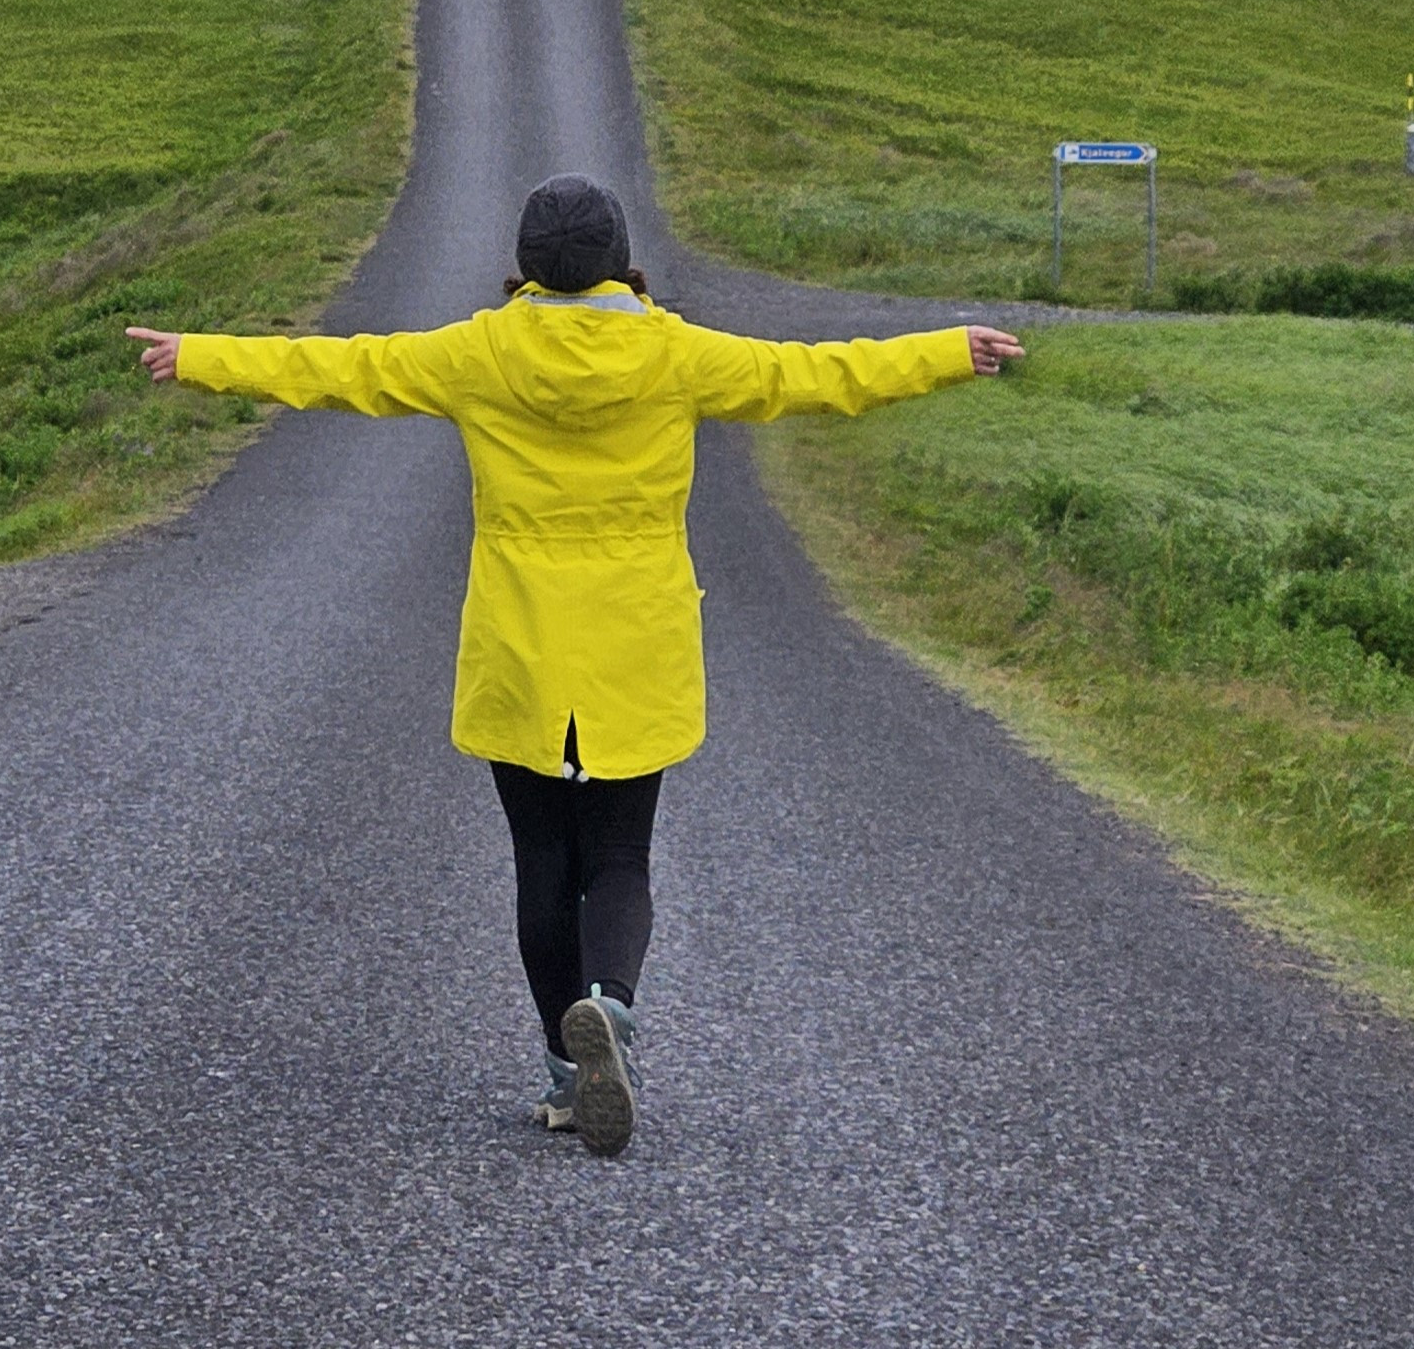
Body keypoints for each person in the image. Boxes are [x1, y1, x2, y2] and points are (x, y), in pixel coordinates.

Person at [127, 174, 1024, 1158]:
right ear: (616, 259)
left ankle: (565, 1070)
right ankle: (610, 1002)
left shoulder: (479, 348)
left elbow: (344, 366)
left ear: (527, 263)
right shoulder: (671, 349)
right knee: (619, 853)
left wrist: (199, 355)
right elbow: (810, 373)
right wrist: (948, 350)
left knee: (541, 860)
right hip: (633, 638)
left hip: (519, 638)